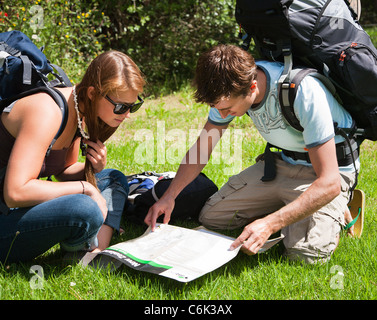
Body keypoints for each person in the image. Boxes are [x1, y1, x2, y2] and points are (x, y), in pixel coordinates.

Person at [145, 44, 359, 264]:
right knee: (212, 217)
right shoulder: (227, 91)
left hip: (326, 174)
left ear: (253, 86)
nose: (222, 114)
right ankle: (292, 208)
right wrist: (169, 196)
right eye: (216, 107)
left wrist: (269, 224)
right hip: (281, 165)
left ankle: (337, 209)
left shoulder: (303, 91)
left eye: (227, 109)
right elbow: (202, 150)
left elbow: (330, 181)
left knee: (305, 256)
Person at [0, 50, 145, 263]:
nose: (127, 114)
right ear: (93, 93)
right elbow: (15, 192)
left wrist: (94, 169)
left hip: (14, 207)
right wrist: (85, 188)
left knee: (112, 177)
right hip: (6, 213)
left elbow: (61, 171)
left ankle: (95, 253)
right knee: (85, 208)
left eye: (134, 105)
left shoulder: (78, 108)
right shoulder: (47, 112)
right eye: (121, 107)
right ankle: (85, 247)